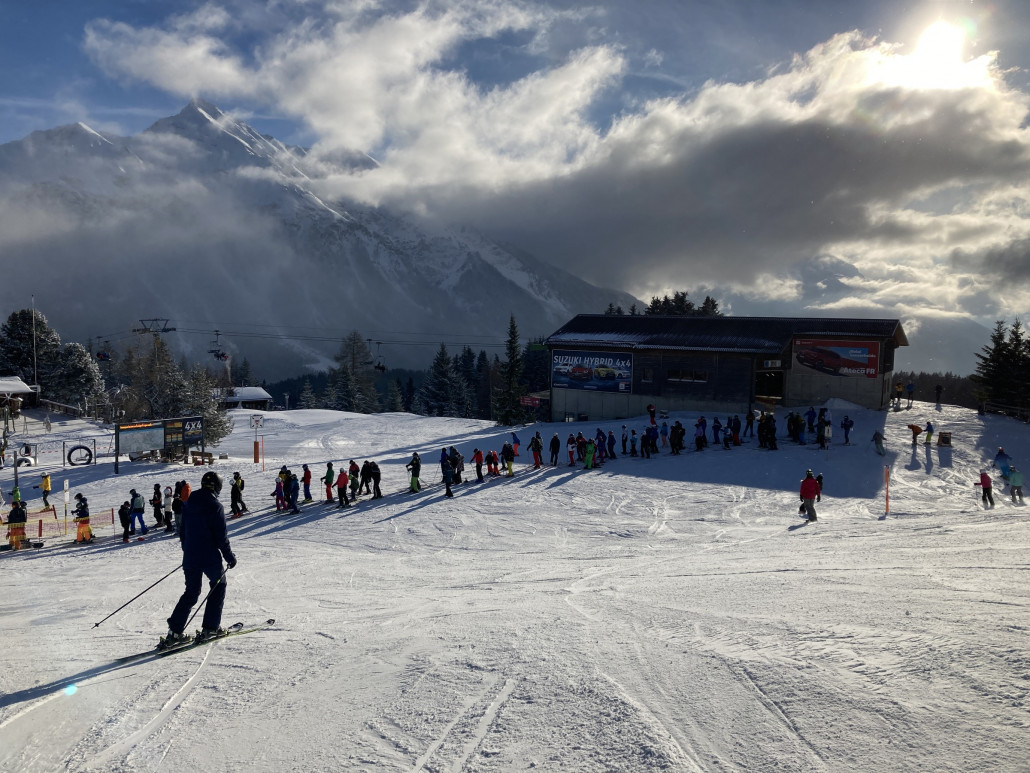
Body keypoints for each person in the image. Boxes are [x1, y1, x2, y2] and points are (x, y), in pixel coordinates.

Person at [163, 471, 237, 647]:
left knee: (192, 591)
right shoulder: (215, 506)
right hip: (209, 556)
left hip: (190, 556)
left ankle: (174, 632)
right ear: (218, 487)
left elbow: (182, 531)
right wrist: (230, 558)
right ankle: (210, 627)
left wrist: (188, 550)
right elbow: (221, 538)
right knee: (219, 585)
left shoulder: (189, 503)